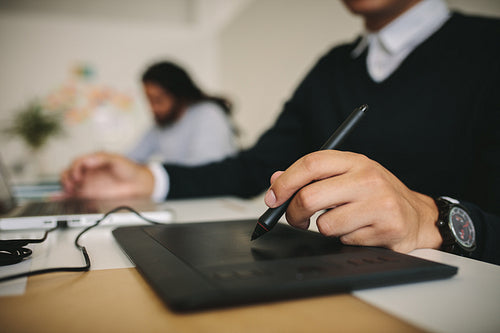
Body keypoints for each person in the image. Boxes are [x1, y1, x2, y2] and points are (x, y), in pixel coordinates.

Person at [61, 0, 500, 265]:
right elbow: (255, 166)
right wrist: (150, 178)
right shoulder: (332, 66)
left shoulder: (488, 48)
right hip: (336, 283)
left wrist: (432, 220)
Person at [127, 61, 237, 165]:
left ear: (178, 94)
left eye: (158, 100)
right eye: (149, 101)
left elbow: (203, 170)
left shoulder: (209, 115)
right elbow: (133, 158)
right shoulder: (162, 125)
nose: (153, 108)